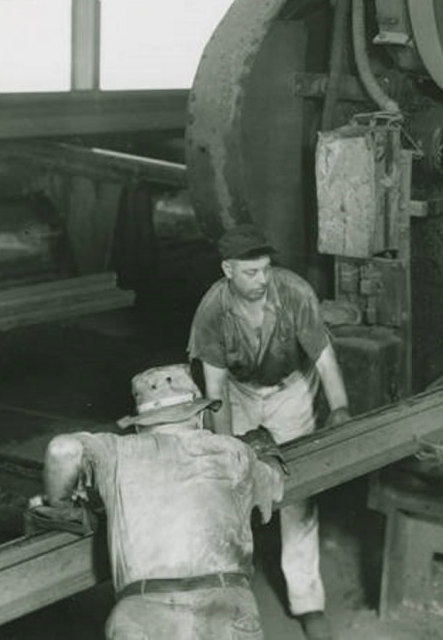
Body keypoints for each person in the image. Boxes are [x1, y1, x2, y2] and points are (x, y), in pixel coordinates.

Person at [188, 223, 350, 640]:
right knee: (231, 488)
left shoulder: (293, 292)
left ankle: (308, 603)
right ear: (228, 269)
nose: (262, 280)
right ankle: (229, 600)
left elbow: (325, 358)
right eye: (251, 273)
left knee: (298, 491)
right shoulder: (211, 311)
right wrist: (227, 446)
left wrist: (341, 409)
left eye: (265, 269)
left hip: (291, 388)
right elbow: (215, 388)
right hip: (238, 393)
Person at [42, 364, 285, 639]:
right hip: (224, 605)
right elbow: (275, 488)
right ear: (200, 413)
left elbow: (63, 449)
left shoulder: (116, 451)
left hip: (144, 611)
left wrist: (61, 507)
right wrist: (266, 452)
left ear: (141, 424)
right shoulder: (232, 451)